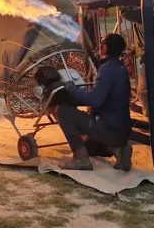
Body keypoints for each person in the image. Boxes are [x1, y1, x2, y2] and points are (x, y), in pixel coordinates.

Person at [55, 32, 133, 172]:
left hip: (108, 128)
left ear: (105, 48)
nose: (100, 46)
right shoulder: (120, 68)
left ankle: (81, 160)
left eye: (102, 43)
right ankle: (119, 149)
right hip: (122, 130)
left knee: (63, 112)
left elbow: (95, 99)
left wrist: (72, 89)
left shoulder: (107, 69)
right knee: (88, 146)